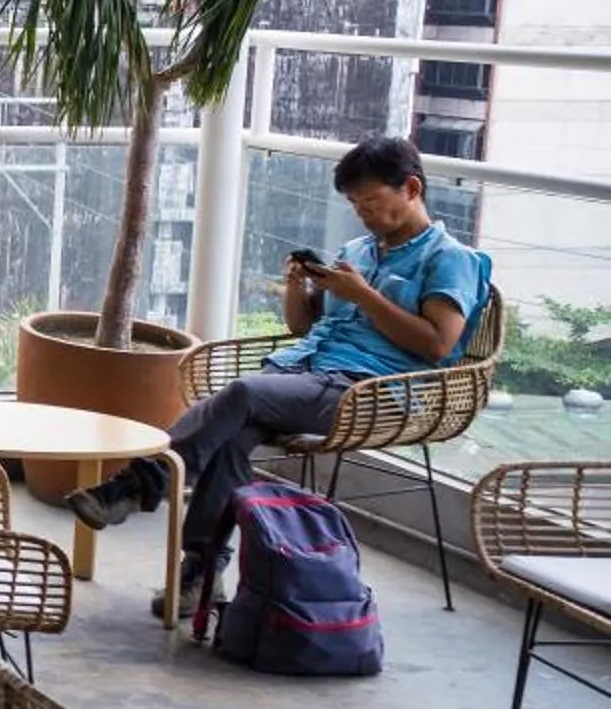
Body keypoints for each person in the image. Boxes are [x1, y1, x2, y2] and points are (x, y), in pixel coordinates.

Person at [69, 135, 491, 611]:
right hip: (306, 374)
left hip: (370, 391)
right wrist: (299, 286)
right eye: (355, 203)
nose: (363, 213)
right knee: (234, 434)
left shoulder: (448, 259)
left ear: (411, 188)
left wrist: (364, 297)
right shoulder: (360, 250)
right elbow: (305, 325)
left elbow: (438, 344)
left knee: (243, 394)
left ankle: (137, 485)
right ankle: (202, 574)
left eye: (371, 201)